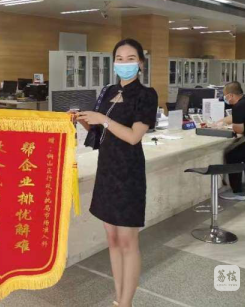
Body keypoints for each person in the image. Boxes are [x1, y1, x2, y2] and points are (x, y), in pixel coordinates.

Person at [76, 38, 158, 307]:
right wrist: (84, 121)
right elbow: (99, 134)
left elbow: (134, 137)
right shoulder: (107, 91)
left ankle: (126, 303)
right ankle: (118, 298)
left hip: (128, 172)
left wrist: (103, 119)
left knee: (127, 240)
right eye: (119, 59)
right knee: (111, 238)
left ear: (140, 63)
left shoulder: (146, 95)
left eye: (130, 58)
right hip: (107, 170)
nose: (124, 63)